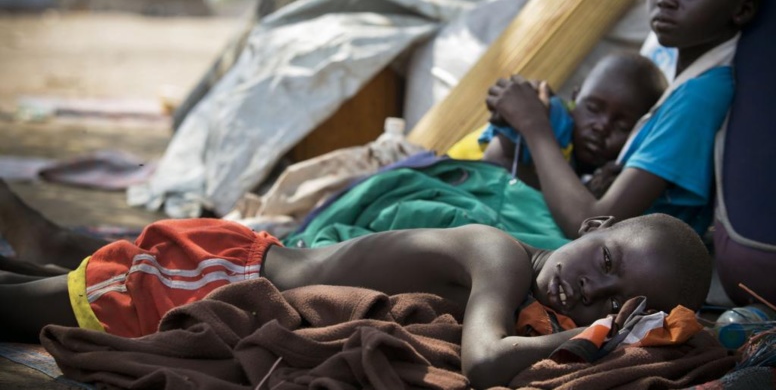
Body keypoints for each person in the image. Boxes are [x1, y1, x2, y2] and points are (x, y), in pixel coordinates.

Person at [0, 213, 711, 388]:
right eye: (605, 261)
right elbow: (488, 360)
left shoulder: (525, 283)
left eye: (621, 296)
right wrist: (592, 335)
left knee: (34, 288)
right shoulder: (498, 255)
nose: (593, 289)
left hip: (236, 255)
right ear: (591, 227)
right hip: (213, 277)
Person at [485, 0, 770, 238]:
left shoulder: (701, 97)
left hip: (609, 260)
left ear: (742, 9)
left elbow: (591, 224)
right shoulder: (691, 81)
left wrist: (534, 124)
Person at [479, 52, 667, 190]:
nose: (601, 126)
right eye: (593, 109)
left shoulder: (615, 173)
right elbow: (495, 161)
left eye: (622, 126)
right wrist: (580, 192)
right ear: (575, 98)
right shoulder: (547, 115)